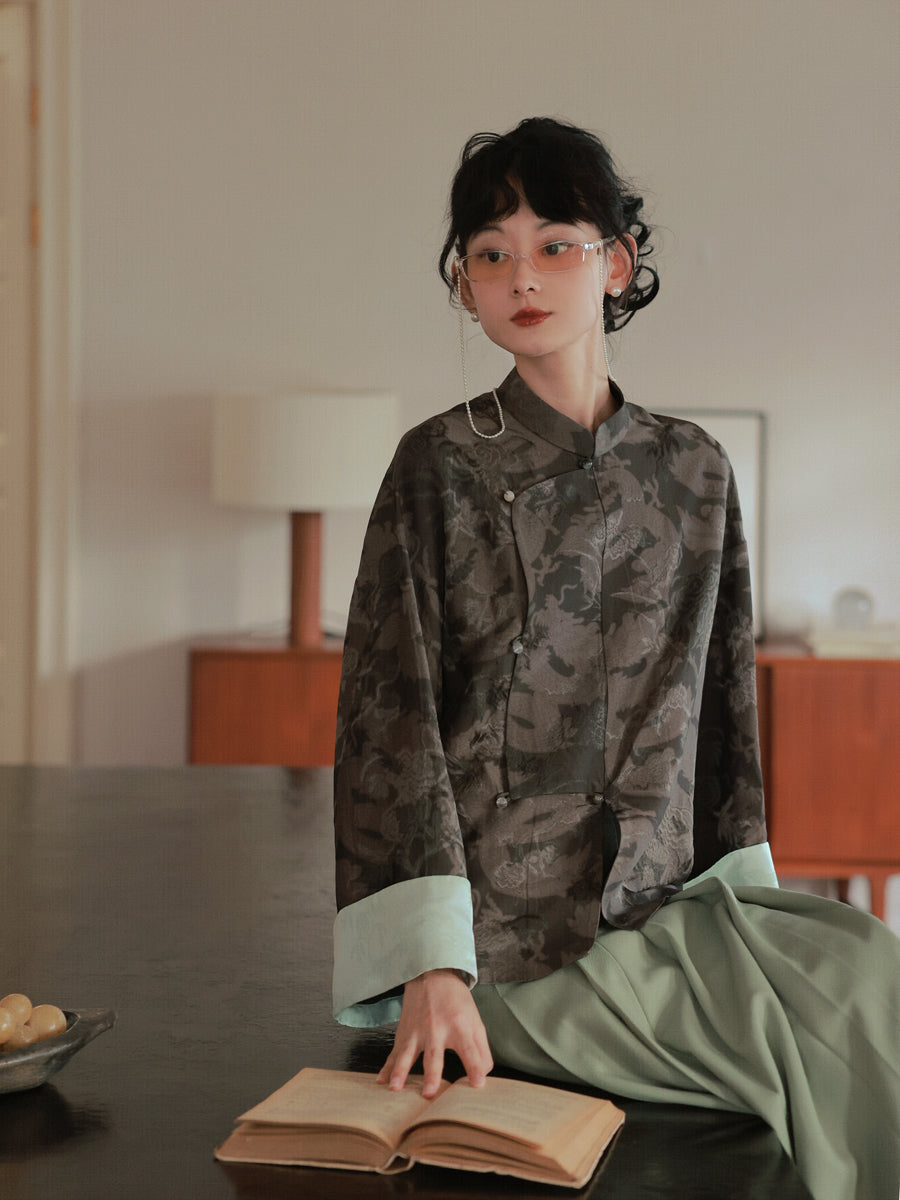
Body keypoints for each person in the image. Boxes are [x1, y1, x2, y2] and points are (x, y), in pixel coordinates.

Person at [332, 117, 900, 1200]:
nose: (522, 276)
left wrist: (741, 904)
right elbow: (389, 725)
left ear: (617, 263)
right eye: (490, 253)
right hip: (502, 937)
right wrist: (430, 965)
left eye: (556, 244)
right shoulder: (437, 466)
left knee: (871, 967)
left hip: (665, 907)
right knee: (794, 1051)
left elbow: (721, 707)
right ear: (464, 284)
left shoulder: (694, 470)